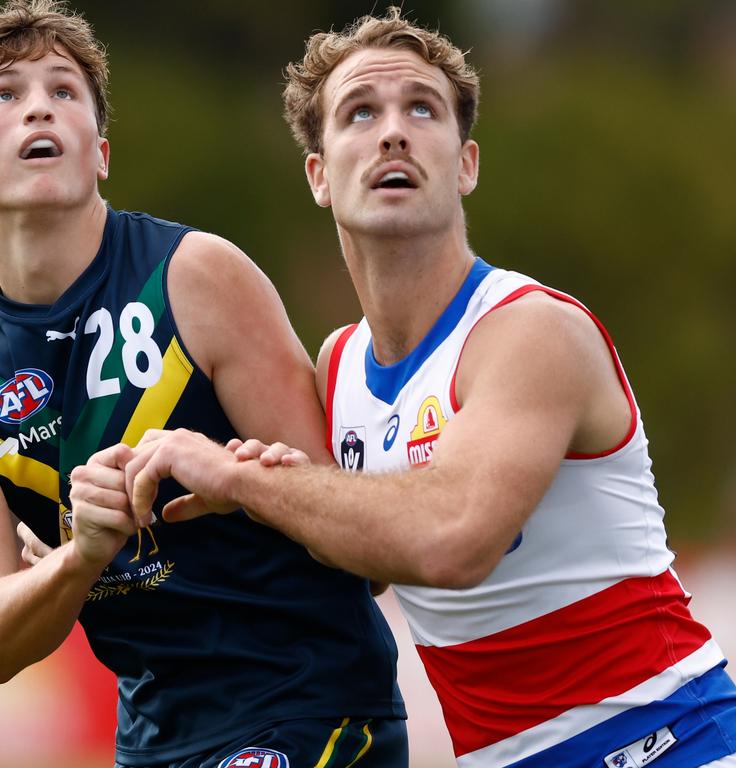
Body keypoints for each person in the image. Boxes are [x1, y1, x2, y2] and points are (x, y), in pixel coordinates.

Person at [123, 7, 736, 768]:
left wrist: (243, 478)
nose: (393, 131)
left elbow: (450, 538)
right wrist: (94, 542)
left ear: (466, 162)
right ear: (319, 175)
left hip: (665, 743)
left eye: (422, 107)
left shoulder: (528, 330)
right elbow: (359, 558)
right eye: (359, 113)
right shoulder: (338, 363)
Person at [0, 2, 408, 766]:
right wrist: (82, 554)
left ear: (99, 152)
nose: (40, 105)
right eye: (4, 93)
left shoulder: (198, 277)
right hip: (154, 742)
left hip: (312, 707)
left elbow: (359, 553)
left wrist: (234, 480)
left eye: (64, 91)